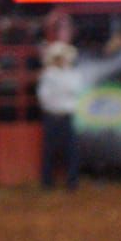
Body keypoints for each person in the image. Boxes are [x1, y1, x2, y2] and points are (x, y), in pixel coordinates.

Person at [37, 41, 85, 190]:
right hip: (53, 115)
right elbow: (44, 97)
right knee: (50, 151)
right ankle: (48, 182)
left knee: (71, 150)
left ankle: (71, 181)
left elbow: (76, 90)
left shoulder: (70, 74)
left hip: (65, 115)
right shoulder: (49, 75)